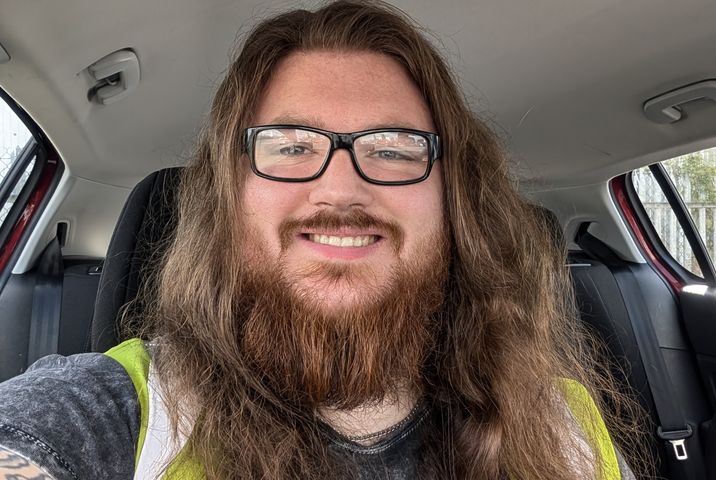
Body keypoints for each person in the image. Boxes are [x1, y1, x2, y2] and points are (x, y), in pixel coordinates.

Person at [0, 1, 644, 479]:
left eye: (393, 149)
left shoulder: (563, 427)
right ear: (229, 197)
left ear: (454, 201)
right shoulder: (116, 416)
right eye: (289, 147)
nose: (340, 190)